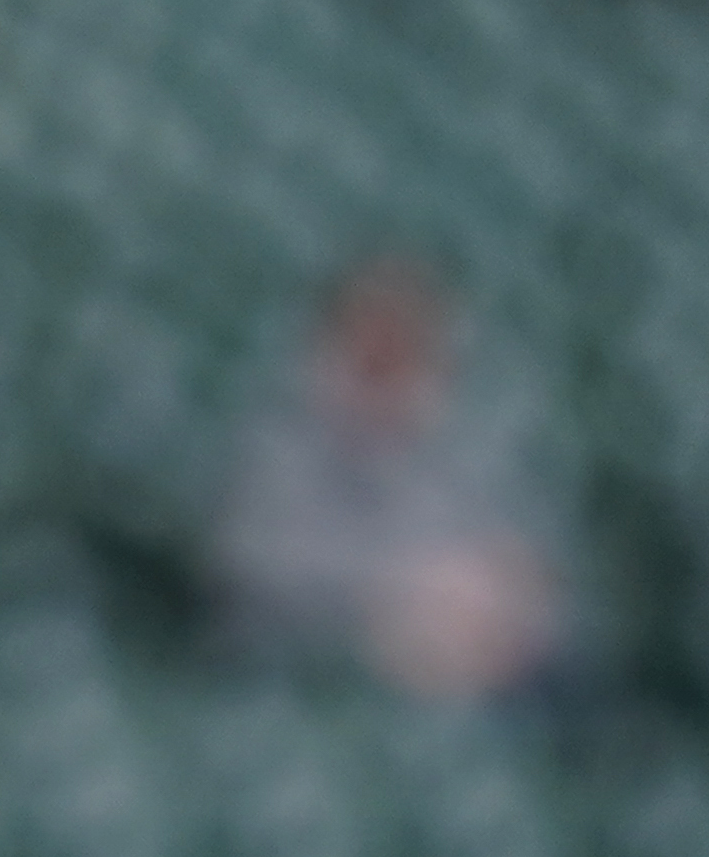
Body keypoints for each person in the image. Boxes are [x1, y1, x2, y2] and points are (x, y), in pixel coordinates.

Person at [214, 259, 559, 703]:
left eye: (406, 356)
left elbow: (529, 584)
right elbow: (254, 568)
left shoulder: (462, 463)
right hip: (307, 684)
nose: (386, 377)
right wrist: (401, 592)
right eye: (372, 356)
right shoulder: (277, 451)